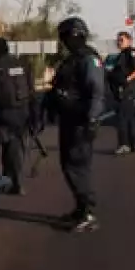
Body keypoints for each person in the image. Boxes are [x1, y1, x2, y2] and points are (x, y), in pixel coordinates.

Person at [47, 16, 105, 230]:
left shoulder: (88, 59)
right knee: (69, 165)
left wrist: (92, 120)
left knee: (77, 166)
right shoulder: (70, 60)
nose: (63, 42)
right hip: (69, 121)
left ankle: (87, 212)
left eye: (65, 37)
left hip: (81, 122)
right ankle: (80, 208)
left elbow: (96, 92)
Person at [0, 37, 37, 195]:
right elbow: (31, 91)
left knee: (10, 148)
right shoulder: (22, 64)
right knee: (16, 147)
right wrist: (34, 114)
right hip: (23, 112)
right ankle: (10, 181)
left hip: (6, 114)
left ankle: (15, 182)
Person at [109, 31, 135, 154]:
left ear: (129, 41)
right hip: (121, 91)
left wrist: (126, 80)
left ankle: (124, 144)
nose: (119, 42)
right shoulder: (121, 55)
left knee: (123, 118)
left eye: (121, 40)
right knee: (128, 117)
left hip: (127, 90)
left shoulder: (131, 53)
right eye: (118, 40)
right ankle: (133, 144)